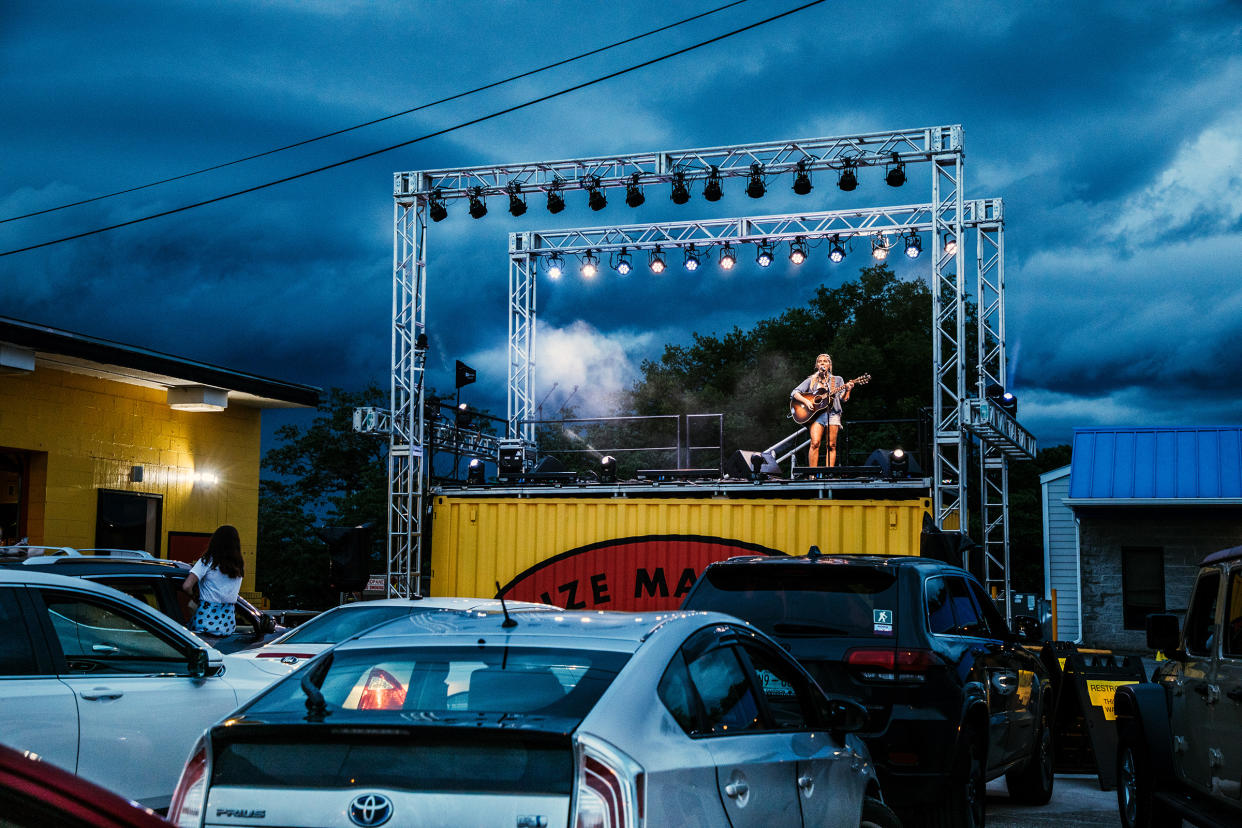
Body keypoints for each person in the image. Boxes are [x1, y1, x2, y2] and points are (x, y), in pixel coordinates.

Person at [181, 524, 244, 638]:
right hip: (228, 623)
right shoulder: (239, 566)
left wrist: (195, 597)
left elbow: (186, 586)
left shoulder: (207, 561)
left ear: (215, 542)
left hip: (205, 620)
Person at [790, 353, 853, 467]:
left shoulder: (837, 380)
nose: (822, 363)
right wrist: (806, 401)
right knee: (815, 443)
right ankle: (812, 475)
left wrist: (848, 390)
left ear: (829, 365)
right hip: (817, 415)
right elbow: (794, 393)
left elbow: (843, 399)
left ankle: (829, 473)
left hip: (833, 413)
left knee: (831, 445)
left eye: (825, 361)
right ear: (816, 365)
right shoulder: (811, 380)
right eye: (819, 361)